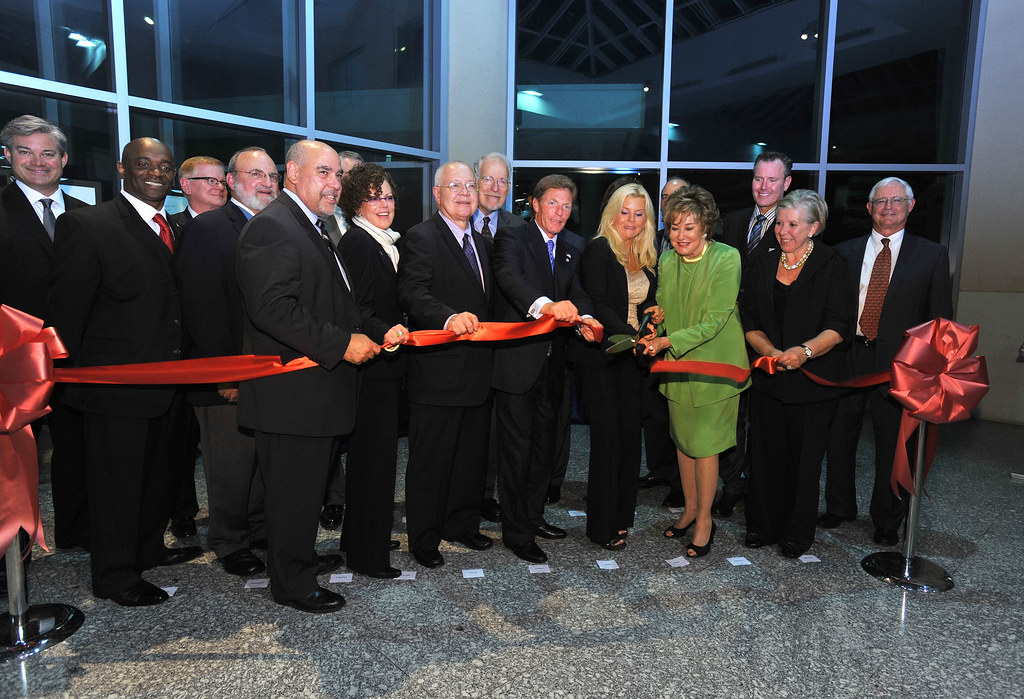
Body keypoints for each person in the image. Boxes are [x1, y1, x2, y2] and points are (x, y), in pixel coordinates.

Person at [236, 140, 402, 613]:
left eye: (337, 175)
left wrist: (370, 329)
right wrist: (341, 344)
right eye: (324, 173)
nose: (335, 184)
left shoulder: (312, 227)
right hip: (292, 398)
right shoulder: (274, 228)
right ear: (292, 173)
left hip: (315, 397)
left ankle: (297, 563)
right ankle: (293, 585)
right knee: (293, 496)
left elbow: (337, 304)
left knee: (304, 494)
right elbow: (272, 309)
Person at [49, 137, 201, 606]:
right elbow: (68, 313)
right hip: (113, 391)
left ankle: (148, 550)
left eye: (164, 166)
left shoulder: (176, 227)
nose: (156, 172)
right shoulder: (86, 225)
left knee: (158, 477)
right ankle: (115, 575)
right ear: (122, 169)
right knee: (117, 487)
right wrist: (72, 385)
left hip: (171, 384)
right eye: (144, 164)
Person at [820, 177, 953, 546]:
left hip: (900, 368)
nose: (889, 207)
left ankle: (887, 519)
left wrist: (932, 373)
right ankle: (839, 506)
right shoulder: (842, 252)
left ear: (911, 206)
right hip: (848, 359)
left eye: (897, 200)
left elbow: (940, 319)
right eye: (881, 201)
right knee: (839, 438)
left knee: (893, 445)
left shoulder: (931, 255)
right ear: (868, 208)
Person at [174, 146, 278, 578]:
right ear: (231, 181)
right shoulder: (211, 228)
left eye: (273, 175)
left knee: (258, 460)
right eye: (256, 174)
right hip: (227, 377)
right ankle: (229, 541)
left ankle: (256, 531)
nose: (267, 183)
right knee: (230, 465)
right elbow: (203, 308)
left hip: (269, 371)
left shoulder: (274, 227)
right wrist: (226, 373)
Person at [492, 174, 600, 564]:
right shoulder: (511, 237)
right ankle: (516, 531)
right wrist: (546, 305)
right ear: (535, 204)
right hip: (518, 365)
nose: (560, 212)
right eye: (552, 203)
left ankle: (533, 517)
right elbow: (510, 280)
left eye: (566, 206)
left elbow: (580, 292)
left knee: (543, 450)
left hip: (556, 365)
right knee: (517, 452)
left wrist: (585, 317)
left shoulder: (575, 244)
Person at [739, 190, 853, 557]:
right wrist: (771, 352)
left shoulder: (831, 262)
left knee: (804, 463)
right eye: (780, 223)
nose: (783, 231)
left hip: (814, 382)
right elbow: (750, 320)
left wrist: (804, 352)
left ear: (813, 227)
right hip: (769, 378)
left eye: (792, 224)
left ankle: (796, 533)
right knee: (764, 456)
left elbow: (839, 325)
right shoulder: (762, 260)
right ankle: (762, 526)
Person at [640, 185, 749, 558]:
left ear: (706, 228)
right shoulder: (667, 261)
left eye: (689, 227)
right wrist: (657, 316)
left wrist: (667, 343)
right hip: (678, 367)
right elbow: (669, 306)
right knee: (684, 444)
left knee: (705, 448)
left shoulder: (727, 258)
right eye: (673, 227)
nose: (680, 235)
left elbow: (715, 320)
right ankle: (689, 509)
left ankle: (705, 520)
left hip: (716, 369)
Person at [397, 161, 495, 569]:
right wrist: (448, 317)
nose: (464, 192)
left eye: (470, 185)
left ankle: (462, 524)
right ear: (436, 194)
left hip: (478, 373)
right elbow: (412, 293)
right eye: (454, 185)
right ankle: (424, 537)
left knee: (471, 458)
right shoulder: (421, 237)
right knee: (431, 461)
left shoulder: (484, 243)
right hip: (438, 372)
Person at [0, 115, 89, 551]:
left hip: (78, 358)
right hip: (12, 362)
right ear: (8, 156)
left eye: (47, 152)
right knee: (13, 461)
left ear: (64, 159)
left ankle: (77, 533)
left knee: (78, 449)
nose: (37, 161)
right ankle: (12, 553)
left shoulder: (88, 217)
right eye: (24, 151)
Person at [336, 162, 409, 579]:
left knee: (375, 461)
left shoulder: (382, 241)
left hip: (385, 369)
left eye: (387, 195)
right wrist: (388, 329)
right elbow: (357, 311)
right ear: (354, 203)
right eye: (372, 196)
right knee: (373, 463)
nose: (383, 204)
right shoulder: (360, 244)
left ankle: (363, 541)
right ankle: (368, 557)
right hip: (371, 370)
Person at [576, 183, 658, 550]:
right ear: (612, 213)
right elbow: (600, 303)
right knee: (607, 443)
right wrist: (631, 333)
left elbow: (648, 301)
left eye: (639, 214)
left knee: (629, 441)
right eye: (625, 212)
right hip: (604, 359)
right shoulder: (598, 249)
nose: (631, 220)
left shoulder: (645, 254)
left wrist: (653, 320)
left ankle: (623, 517)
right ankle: (601, 526)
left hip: (635, 360)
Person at [714, 152, 793, 518]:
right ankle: (732, 486)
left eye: (772, 180)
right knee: (734, 415)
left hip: (769, 337)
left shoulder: (792, 226)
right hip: (729, 332)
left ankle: (761, 487)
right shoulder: (734, 221)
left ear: (786, 184)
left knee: (765, 418)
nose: (764, 187)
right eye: (759, 179)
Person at [472, 152, 525, 524]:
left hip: (507, 343)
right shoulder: (453, 221)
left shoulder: (519, 228)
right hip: (466, 341)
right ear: (476, 182)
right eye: (488, 180)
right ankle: (468, 493)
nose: (495, 188)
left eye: (502, 181)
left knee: (497, 429)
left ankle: (492, 494)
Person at [639, 176, 689, 508]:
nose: (669, 201)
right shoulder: (652, 241)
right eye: (665, 197)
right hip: (653, 336)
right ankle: (659, 468)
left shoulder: (699, 243)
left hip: (684, 340)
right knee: (654, 411)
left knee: (680, 415)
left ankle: (679, 484)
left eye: (677, 196)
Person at [170, 155, 227, 229]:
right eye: (212, 181)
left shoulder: (239, 225)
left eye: (223, 183)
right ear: (186, 185)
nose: (221, 187)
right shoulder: (170, 229)